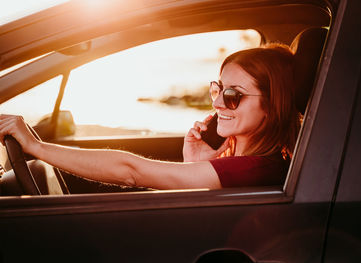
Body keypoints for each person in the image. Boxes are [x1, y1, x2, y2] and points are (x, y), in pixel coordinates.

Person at [0, 44, 301, 190]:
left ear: (272, 105)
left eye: (234, 95)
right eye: (217, 89)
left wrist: (37, 147)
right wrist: (196, 168)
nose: (219, 102)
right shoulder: (241, 166)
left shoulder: (255, 169)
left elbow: (131, 171)